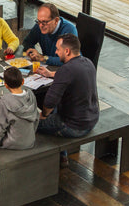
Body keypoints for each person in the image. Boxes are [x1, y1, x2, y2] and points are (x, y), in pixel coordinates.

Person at [36, 33, 99, 168]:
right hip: (91, 119)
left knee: (30, 123)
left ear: (67, 51)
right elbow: (70, 75)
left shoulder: (67, 69)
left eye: (58, 49)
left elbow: (50, 101)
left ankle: (43, 163)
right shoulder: (88, 63)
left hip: (73, 126)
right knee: (58, 109)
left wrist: (44, 115)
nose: (56, 52)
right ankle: (62, 156)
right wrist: (50, 74)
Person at [0, 67, 40, 150]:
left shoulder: (4, 101)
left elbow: (1, 127)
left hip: (12, 143)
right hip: (30, 140)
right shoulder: (31, 95)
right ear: (22, 81)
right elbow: (36, 118)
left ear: (6, 85)